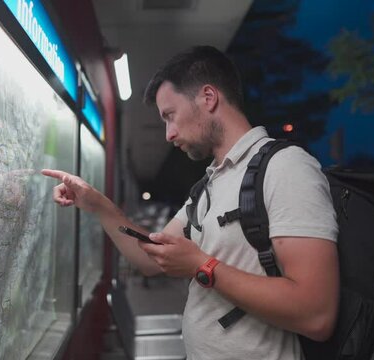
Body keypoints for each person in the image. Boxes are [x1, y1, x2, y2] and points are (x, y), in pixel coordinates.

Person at [42, 45, 339, 359]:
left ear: (208, 98)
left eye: (170, 116)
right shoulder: (209, 185)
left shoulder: (286, 167)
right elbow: (148, 259)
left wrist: (202, 265)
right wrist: (97, 204)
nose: (169, 134)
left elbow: (316, 314)